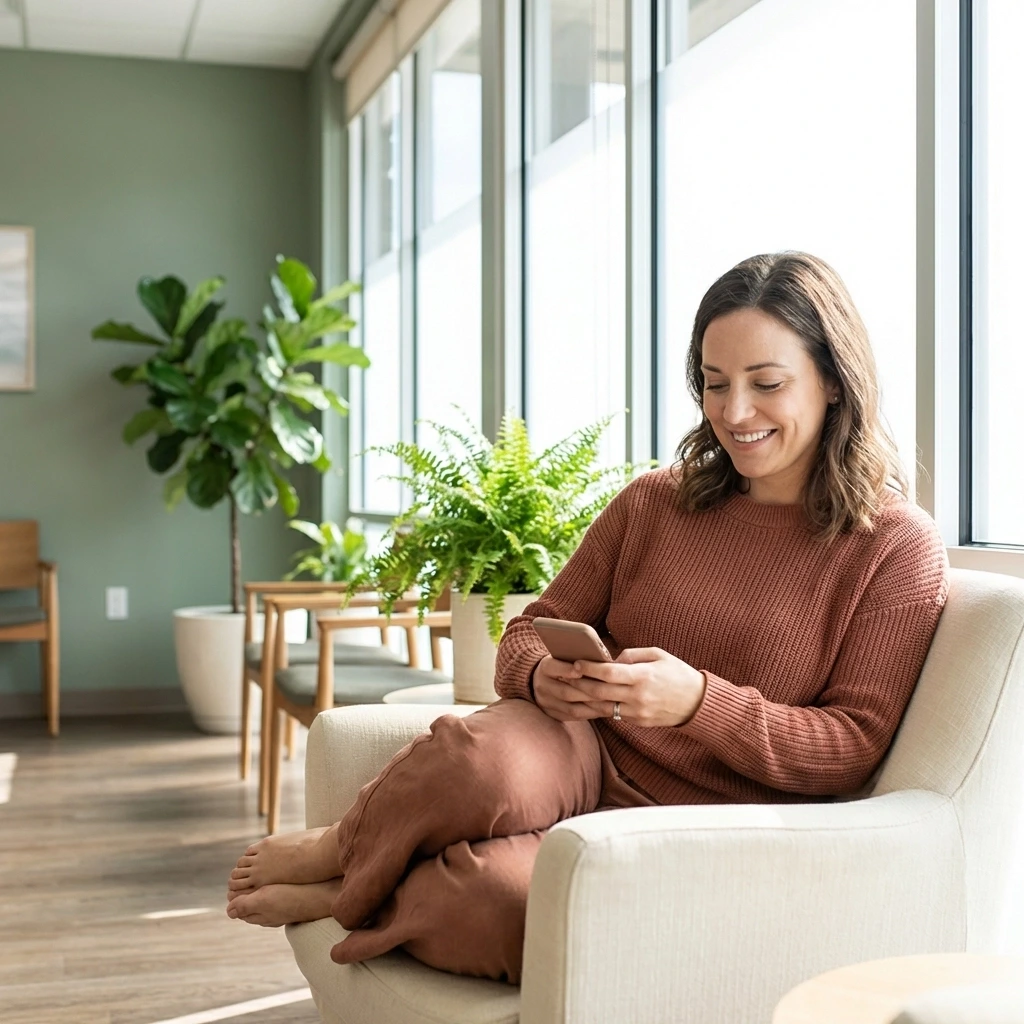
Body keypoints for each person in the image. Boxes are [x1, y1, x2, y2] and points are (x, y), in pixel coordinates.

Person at [225, 251, 948, 985]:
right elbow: (528, 630)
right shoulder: (653, 502)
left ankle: (350, 892)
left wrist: (700, 702)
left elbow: (852, 745)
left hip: (708, 824)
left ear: (833, 380)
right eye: (714, 384)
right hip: (580, 747)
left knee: (494, 902)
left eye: (766, 384)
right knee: (475, 760)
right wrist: (543, 676)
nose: (733, 413)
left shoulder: (895, 547)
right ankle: (346, 849)